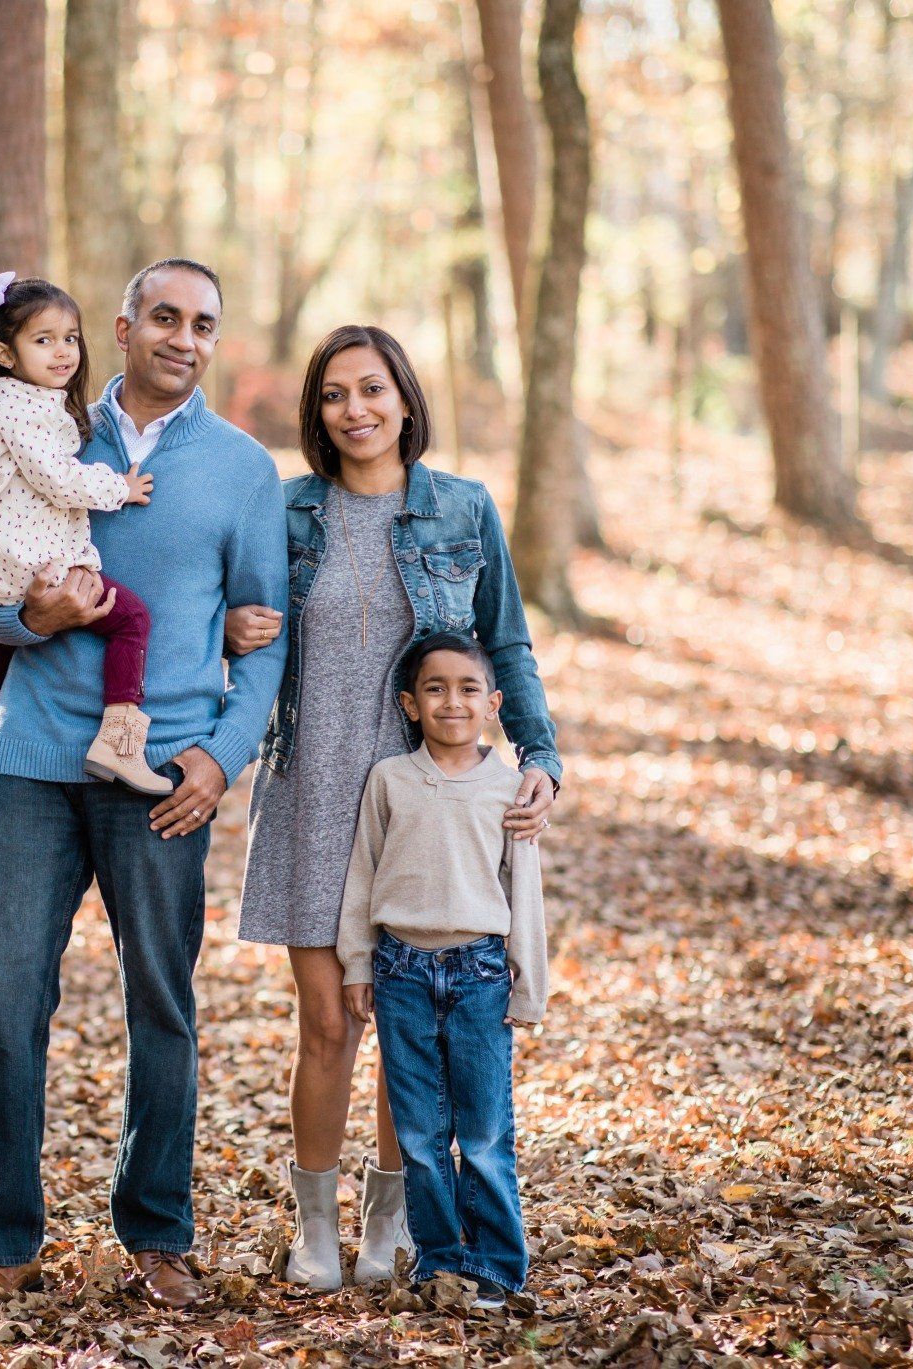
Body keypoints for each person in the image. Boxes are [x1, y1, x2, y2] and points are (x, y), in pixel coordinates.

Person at [0, 259, 289, 1315]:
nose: (185, 337)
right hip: (33, 766)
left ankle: (158, 1232)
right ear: (123, 329)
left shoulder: (242, 469)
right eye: (165, 317)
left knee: (162, 1009)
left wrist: (221, 757)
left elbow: (267, 636)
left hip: (160, 774)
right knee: (6, 1008)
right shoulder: (41, 426)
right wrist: (25, 619)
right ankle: (7, 1243)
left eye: (204, 324)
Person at [226, 324, 562, 1291]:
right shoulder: (286, 509)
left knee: (409, 1028)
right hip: (312, 789)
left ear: (406, 398)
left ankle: (392, 1220)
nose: (355, 409)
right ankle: (315, 1227)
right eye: (334, 394)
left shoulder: (463, 507)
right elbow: (229, 620)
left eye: (372, 389)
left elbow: (506, 644)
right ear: (316, 412)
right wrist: (227, 627)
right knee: (329, 1022)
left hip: (427, 808)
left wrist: (539, 753)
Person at [338, 633, 548, 1310]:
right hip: (400, 969)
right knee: (420, 1133)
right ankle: (439, 1260)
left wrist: (528, 982)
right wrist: (357, 963)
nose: (451, 701)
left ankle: (496, 1265)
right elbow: (362, 876)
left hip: (479, 972)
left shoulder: (511, 788)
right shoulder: (390, 780)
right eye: (435, 688)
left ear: (493, 703)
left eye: (467, 688)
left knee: (484, 1131)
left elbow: (523, 889)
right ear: (410, 704)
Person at [0, 270, 173, 796]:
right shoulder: (23, 413)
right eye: (43, 341)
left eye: (70, 338)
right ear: (4, 353)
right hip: (24, 558)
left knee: (8, 642)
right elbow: (58, 478)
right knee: (131, 619)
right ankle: (119, 742)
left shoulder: (17, 405)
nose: (63, 352)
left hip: (1, 559)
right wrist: (119, 487)